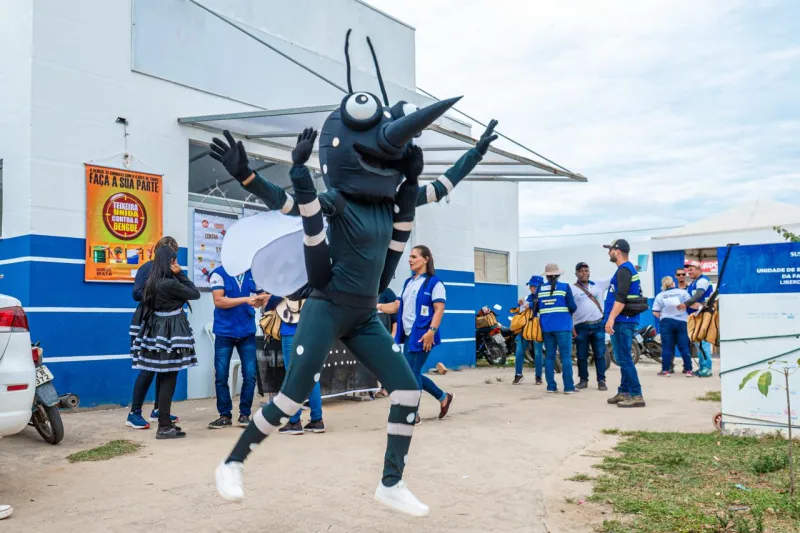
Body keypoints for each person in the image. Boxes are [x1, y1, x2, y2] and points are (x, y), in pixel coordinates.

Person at [209, 37, 499, 513]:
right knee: (292, 397)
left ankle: (391, 482)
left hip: (365, 314)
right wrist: (247, 177)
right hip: (326, 307)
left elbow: (442, 185)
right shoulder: (338, 201)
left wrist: (476, 154)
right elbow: (290, 204)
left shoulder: (394, 205)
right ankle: (233, 462)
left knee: (407, 390)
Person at [131, 245, 201, 438]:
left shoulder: (151, 283)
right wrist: (180, 274)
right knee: (169, 378)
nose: (176, 264)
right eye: (174, 260)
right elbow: (194, 293)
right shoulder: (169, 283)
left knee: (164, 376)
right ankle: (163, 426)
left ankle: (165, 421)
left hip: (156, 330)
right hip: (171, 331)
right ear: (169, 262)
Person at [393, 246, 453, 424]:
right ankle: (443, 397)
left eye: (414, 256)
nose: (410, 260)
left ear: (426, 259)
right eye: (409, 257)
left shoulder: (434, 283)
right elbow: (397, 306)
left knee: (411, 374)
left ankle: (413, 413)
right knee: (412, 373)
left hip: (423, 335)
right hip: (408, 334)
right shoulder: (408, 282)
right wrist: (376, 306)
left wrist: (431, 332)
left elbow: (439, 309)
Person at [126, 236, 181, 430]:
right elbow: (136, 293)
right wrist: (157, 289)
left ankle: (159, 409)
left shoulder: (174, 271)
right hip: (147, 322)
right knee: (148, 368)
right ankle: (134, 413)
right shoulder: (147, 268)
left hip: (168, 324)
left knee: (165, 367)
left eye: (173, 253)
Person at [207, 266, 267, 429]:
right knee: (221, 375)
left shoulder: (252, 274)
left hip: (247, 332)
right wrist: (246, 300)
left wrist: (261, 299)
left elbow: (263, 295)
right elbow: (219, 301)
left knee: (250, 375)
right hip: (224, 332)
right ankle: (224, 415)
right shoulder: (219, 273)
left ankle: (244, 414)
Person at [265, 283, 325, 435]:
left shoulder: (288, 281)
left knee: (292, 376)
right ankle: (317, 420)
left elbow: (273, 301)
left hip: (291, 331)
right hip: (312, 329)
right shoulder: (314, 279)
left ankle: (294, 421)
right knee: (312, 375)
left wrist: (268, 300)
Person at [603, 239, 646, 408]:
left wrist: (611, 318)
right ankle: (624, 391)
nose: (609, 253)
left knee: (624, 358)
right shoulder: (626, 269)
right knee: (622, 357)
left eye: (610, 250)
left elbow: (621, 298)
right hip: (624, 320)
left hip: (622, 320)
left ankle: (636, 394)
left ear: (618, 251)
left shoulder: (624, 270)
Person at [537, 263, 577, 394]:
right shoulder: (564, 287)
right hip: (563, 326)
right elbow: (572, 306)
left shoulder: (540, 289)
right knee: (565, 357)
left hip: (546, 328)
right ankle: (569, 387)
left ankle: (551, 386)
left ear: (547, 276)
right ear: (558, 275)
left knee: (550, 356)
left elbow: (536, 308)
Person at [570, 262, 610, 391]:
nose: (584, 273)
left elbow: (615, 277)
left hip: (598, 325)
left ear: (589, 272)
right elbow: (568, 309)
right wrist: (571, 327)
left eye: (586, 270)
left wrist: (632, 268)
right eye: (581, 271)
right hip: (581, 327)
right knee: (581, 356)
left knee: (600, 355)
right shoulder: (572, 289)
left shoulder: (598, 285)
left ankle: (601, 381)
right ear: (576, 273)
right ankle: (583, 380)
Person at [652, 276, 693, 377]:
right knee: (684, 346)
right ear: (673, 283)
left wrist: (663, 315)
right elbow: (690, 305)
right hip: (682, 322)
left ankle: (665, 370)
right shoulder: (683, 293)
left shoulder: (660, 295)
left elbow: (655, 312)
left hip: (666, 323)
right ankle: (688, 370)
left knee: (667, 347)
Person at [679, 261, 714, 377]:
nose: (688, 272)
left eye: (691, 270)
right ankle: (702, 367)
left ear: (699, 269)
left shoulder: (702, 280)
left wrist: (686, 304)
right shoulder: (694, 282)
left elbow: (698, 294)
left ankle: (707, 368)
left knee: (703, 343)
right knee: (699, 343)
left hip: (704, 315)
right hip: (697, 316)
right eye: (688, 270)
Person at [513, 275, 544, 385]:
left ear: (540, 287)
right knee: (519, 351)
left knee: (538, 352)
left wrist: (530, 305)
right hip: (525, 327)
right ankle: (518, 374)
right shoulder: (527, 297)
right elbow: (519, 311)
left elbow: (542, 307)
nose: (531, 288)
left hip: (537, 327)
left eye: (534, 286)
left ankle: (538, 376)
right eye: (530, 286)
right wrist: (520, 305)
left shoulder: (544, 298)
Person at [375, 287, 399, 398]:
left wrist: (393, 335)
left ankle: (386, 388)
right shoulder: (366, 290)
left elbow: (395, 317)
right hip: (370, 334)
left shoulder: (387, 293)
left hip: (385, 334)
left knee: (385, 362)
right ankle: (370, 388)